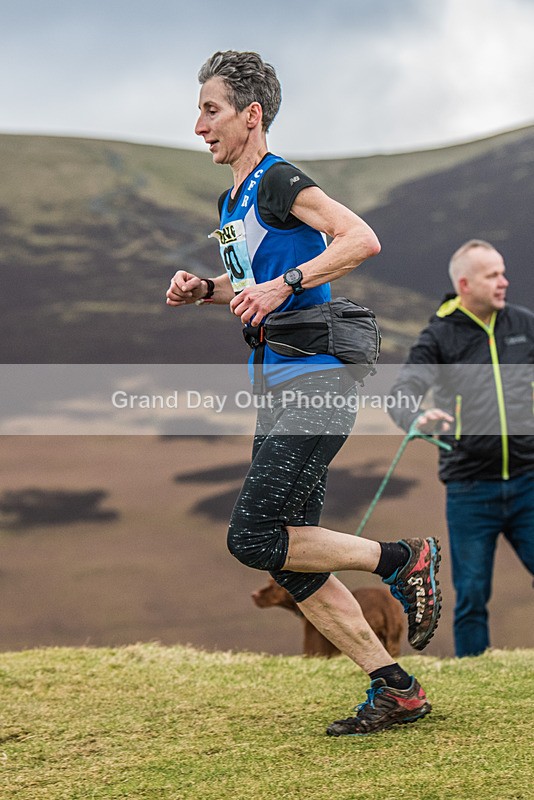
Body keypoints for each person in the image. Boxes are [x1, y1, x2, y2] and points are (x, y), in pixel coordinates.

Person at [166, 50, 442, 735]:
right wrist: (207, 289)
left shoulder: (276, 179)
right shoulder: (231, 198)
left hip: (316, 374)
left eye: (211, 109)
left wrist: (283, 287)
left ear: (250, 115)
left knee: (252, 534)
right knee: (287, 556)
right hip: (278, 381)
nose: (199, 124)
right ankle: (395, 687)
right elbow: (252, 279)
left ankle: (405, 559)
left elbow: (360, 239)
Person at [388, 239, 534, 657]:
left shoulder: (523, 325)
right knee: (471, 596)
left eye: (503, 272)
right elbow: (402, 392)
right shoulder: (439, 337)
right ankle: (475, 673)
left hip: (528, 480)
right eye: (493, 275)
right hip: (471, 490)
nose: (504, 282)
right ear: (466, 285)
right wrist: (415, 418)